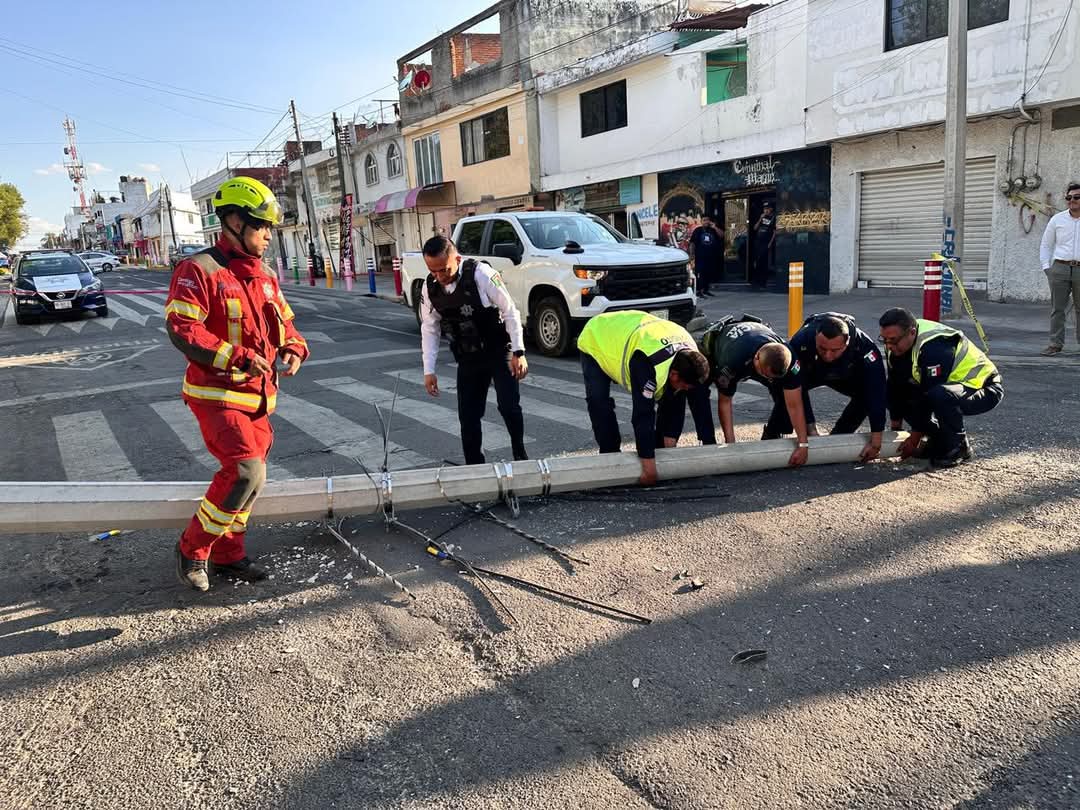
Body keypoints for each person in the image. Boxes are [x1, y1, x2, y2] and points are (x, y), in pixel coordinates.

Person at [165, 176, 308, 592]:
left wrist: (295, 349)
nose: (268, 236)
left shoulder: (264, 275)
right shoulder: (198, 270)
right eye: (261, 226)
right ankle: (192, 549)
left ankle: (229, 555)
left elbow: (286, 326)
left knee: (255, 479)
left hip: (259, 398)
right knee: (244, 470)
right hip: (217, 396)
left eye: (269, 228)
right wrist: (240, 356)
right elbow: (183, 330)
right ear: (232, 221)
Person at [420, 235, 528, 465]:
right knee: (468, 416)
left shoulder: (481, 275)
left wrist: (519, 352)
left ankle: (520, 455)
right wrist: (428, 370)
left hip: (499, 350)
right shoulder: (429, 288)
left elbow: (510, 311)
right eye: (433, 271)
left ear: (456, 258)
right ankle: (474, 467)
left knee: (508, 406)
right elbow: (430, 329)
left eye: (444, 270)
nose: (439, 276)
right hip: (468, 355)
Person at [577, 310, 714, 486]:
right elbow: (643, 414)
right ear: (674, 374)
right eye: (686, 385)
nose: (688, 389)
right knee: (599, 401)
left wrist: (709, 446)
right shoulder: (647, 362)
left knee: (675, 395)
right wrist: (648, 467)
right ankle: (610, 456)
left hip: (636, 329)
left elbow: (700, 401)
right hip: (598, 337)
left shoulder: (693, 357)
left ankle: (658, 446)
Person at [878, 307, 1003, 467]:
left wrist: (914, 438)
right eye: (884, 340)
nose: (888, 346)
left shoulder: (934, 347)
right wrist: (895, 430)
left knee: (938, 395)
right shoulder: (894, 345)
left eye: (893, 341)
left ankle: (958, 448)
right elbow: (895, 387)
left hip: (984, 389)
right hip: (949, 389)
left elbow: (928, 396)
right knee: (897, 392)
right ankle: (939, 441)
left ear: (911, 332)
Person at [701, 314, 809, 467]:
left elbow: (795, 404)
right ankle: (707, 443)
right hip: (722, 346)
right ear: (757, 359)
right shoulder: (733, 362)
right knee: (700, 392)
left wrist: (803, 444)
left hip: (759, 338)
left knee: (784, 392)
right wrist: (731, 446)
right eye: (765, 375)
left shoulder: (791, 360)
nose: (768, 379)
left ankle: (772, 433)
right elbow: (725, 402)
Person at [778, 312, 888, 462]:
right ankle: (771, 434)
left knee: (866, 396)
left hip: (845, 374)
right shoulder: (801, 340)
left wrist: (876, 442)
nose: (828, 355)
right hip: (812, 371)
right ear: (816, 337)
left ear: (847, 342)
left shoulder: (865, 347)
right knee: (787, 390)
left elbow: (877, 393)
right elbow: (793, 390)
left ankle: (839, 436)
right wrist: (809, 430)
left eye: (835, 350)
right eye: (822, 348)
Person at [1039, 182, 1080, 356]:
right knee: (1057, 308)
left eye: (1076, 197)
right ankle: (1055, 344)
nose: (1072, 200)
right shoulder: (1058, 219)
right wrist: (1046, 267)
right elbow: (1046, 245)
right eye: (1069, 197)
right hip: (1060, 268)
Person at [688, 215, 722, 297]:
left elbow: (722, 235)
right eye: (704, 220)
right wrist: (691, 255)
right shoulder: (698, 230)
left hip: (711, 256)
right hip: (700, 256)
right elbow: (692, 243)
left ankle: (706, 290)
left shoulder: (712, 230)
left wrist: (715, 227)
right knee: (700, 273)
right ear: (701, 221)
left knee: (708, 273)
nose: (706, 222)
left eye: (707, 220)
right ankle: (699, 291)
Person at [750, 202, 776, 289]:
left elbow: (774, 232)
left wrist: (770, 244)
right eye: (765, 209)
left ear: (771, 209)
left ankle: (763, 282)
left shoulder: (774, 218)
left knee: (763, 262)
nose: (766, 210)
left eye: (768, 208)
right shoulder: (761, 217)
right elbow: (755, 228)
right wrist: (760, 219)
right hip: (758, 242)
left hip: (766, 242)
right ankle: (756, 281)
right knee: (757, 262)